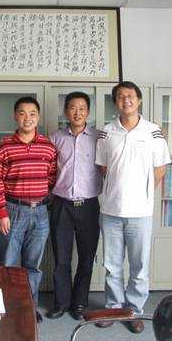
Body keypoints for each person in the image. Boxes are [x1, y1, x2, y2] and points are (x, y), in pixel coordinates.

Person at [95, 81, 171, 334]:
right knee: (112, 266)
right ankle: (114, 307)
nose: (125, 99)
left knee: (139, 267)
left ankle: (134, 311)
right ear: (115, 102)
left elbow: (160, 169)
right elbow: (103, 168)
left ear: (139, 100)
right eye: (120, 96)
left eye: (130, 95)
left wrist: (141, 192)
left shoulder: (153, 132)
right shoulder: (106, 132)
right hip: (111, 211)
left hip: (141, 213)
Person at [0, 96, 57, 324]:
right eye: (22, 113)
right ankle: (8, 307)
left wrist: (41, 200)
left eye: (32, 113)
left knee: (33, 266)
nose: (27, 118)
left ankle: (29, 307)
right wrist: (1, 213)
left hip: (40, 212)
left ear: (38, 117)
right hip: (13, 211)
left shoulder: (48, 146)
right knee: (9, 264)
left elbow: (52, 178)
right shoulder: (4, 147)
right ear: (15, 116)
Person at [46, 92, 102, 321]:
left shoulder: (99, 138)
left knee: (87, 257)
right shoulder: (54, 138)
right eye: (72, 108)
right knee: (61, 258)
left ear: (88, 112)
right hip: (61, 205)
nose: (77, 113)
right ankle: (61, 302)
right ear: (65, 111)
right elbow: (46, 170)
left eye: (82, 108)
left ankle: (79, 303)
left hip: (89, 206)